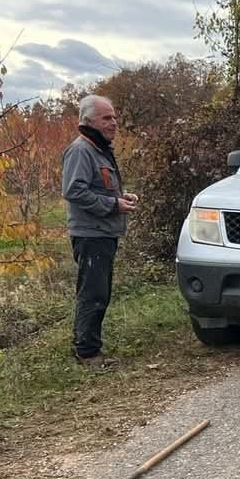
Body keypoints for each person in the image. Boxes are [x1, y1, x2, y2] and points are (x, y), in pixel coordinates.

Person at [61, 95, 138, 367]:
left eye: (114, 117)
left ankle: (86, 347)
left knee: (98, 292)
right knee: (93, 294)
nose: (114, 123)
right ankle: (88, 353)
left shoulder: (99, 149)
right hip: (90, 235)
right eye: (107, 118)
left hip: (103, 233)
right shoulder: (81, 150)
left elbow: (95, 187)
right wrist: (112, 204)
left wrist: (120, 197)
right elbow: (73, 191)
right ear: (88, 120)